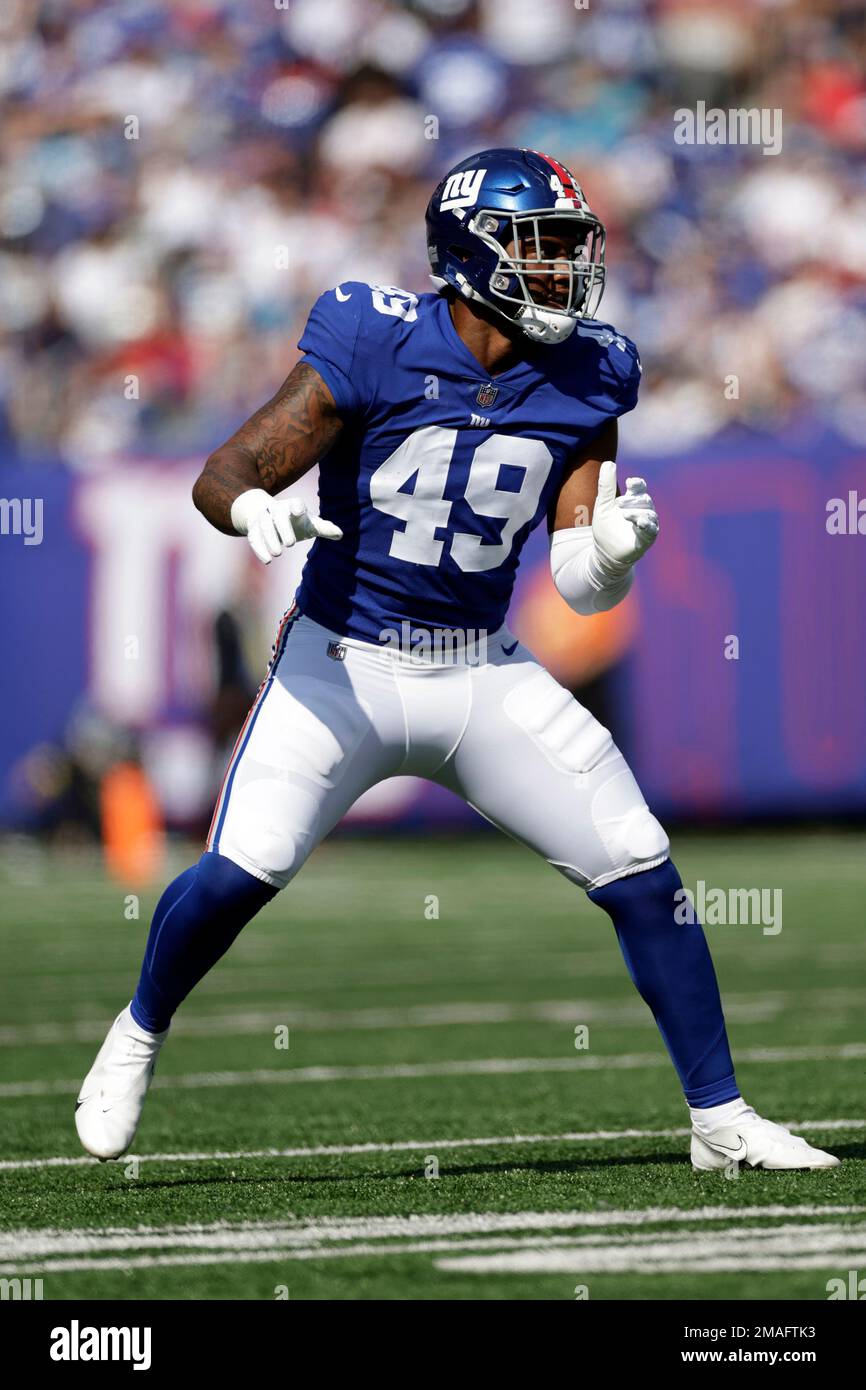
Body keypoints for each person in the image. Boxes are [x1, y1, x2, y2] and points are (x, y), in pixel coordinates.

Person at [74, 148, 838, 1172]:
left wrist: (608, 554)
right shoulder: (372, 336)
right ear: (470, 253)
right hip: (338, 663)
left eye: (572, 249)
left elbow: (576, 578)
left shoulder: (588, 370)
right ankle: (138, 1031)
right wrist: (251, 506)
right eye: (543, 248)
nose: (567, 271)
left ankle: (719, 1119)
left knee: (638, 865)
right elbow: (231, 468)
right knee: (239, 872)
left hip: (480, 668)